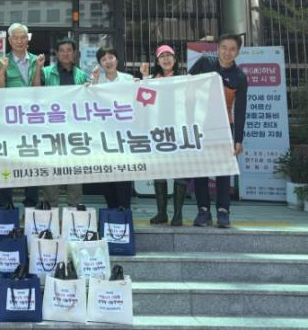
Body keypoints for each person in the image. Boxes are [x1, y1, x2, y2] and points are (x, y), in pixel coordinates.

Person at [188, 34, 247, 228]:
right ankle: (203, 211)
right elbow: (186, 86)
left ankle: (223, 211)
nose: (227, 52)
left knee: (223, 170)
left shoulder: (239, 76)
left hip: (225, 126)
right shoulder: (205, 63)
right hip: (200, 125)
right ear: (217, 48)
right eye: (224, 47)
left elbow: (240, 110)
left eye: (232, 49)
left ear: (238, 52)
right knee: (200, 169)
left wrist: (238, 139)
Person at [0, 23, 45, 208]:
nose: (20, 41)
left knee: (31, 162)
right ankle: (5, 205)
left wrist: (38, 69)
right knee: (6, 162)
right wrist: (3, 70)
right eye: (16, 38)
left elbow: (38, 90)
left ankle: (31, 205)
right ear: (10, 40)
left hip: (31, 120)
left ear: (27, 39)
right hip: (8, 121)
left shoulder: (36, 60)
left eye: (23, 37)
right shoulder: (2, 61)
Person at [140, 44, 187, 226]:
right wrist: (144, 78)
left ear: (175, 59)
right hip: (158, 132)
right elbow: (144, 103)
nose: (166, 59)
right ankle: (162, 213)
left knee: (180, 173)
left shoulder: (184, 79)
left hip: (179, 131)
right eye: (162, 56)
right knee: (159, 173)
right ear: (157, 61)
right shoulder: (152, 80)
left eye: (169, 56)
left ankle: (178, 214)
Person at [41, 38, 89, 207]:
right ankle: (50, 207)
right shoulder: (46, 73)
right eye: (62, 50)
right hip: (51, 127)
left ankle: (74, 208)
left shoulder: (82, 75)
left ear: (74, 53)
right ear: (57, 53)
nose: (65, 53)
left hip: (74, 128)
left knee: (75, 168)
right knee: (51, 168)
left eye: (69, 50)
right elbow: (36, 94)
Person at [91, 47, 134, 209]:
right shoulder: (96, 80)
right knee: (107, 176)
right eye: (103, 59)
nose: (108, 62)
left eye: (111, 57)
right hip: (104, 136)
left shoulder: (128, 79)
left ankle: (124, 211)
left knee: (124, 175)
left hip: (124, 136)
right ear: (100, 64)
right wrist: (94, 81)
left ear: (117, 59)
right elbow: (89, 101)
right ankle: (112, 211)